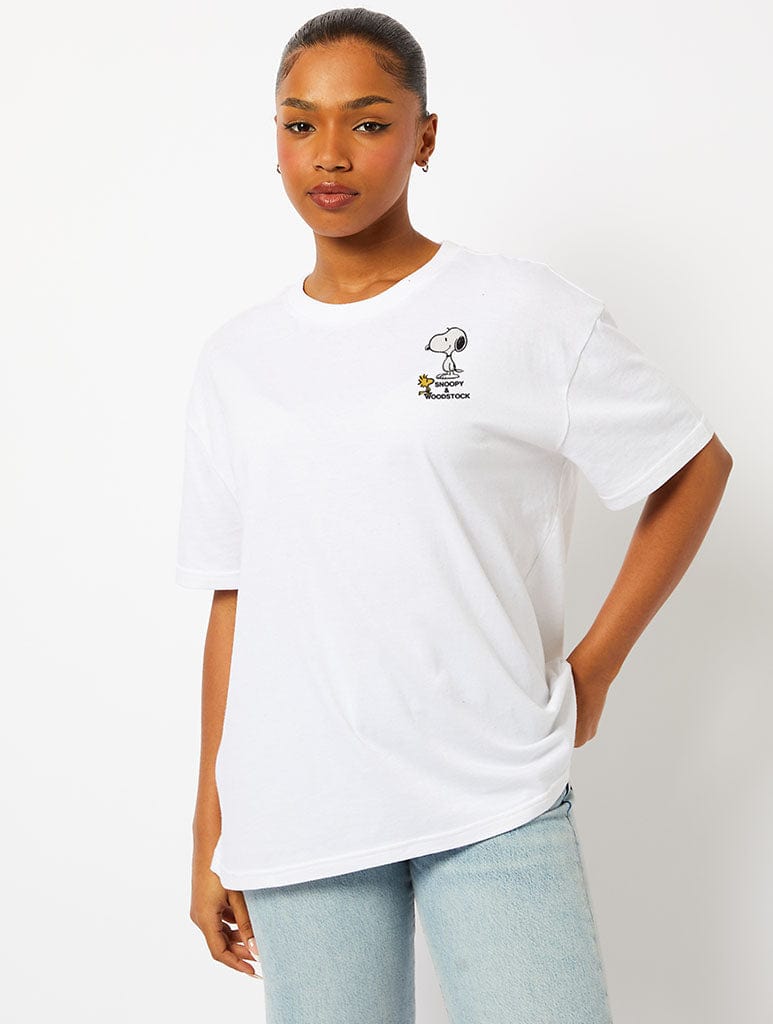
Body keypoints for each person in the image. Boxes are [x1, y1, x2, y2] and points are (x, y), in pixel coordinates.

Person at [174, 8, 733, 1023]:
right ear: (274, 140)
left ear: (423, 136)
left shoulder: (520, 310)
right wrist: (212, 827)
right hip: (301, 803)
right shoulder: (237, 360)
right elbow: (233, 598)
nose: (329, 153)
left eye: (368, 122)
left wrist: (594, 670)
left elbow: (691, 465)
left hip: (492, 787)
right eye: (299, 124)